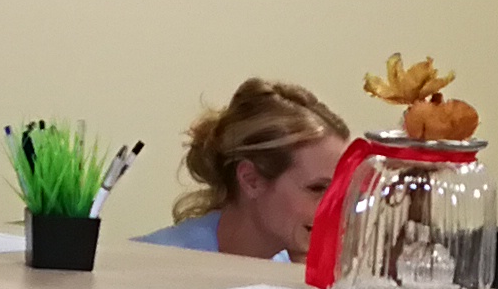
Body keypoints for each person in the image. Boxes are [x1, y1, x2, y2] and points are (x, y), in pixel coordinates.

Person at [139, 79, 352, 261]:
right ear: (251, 179)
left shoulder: (291, 264)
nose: (337, 209)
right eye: (317, 188)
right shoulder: (153, 263)